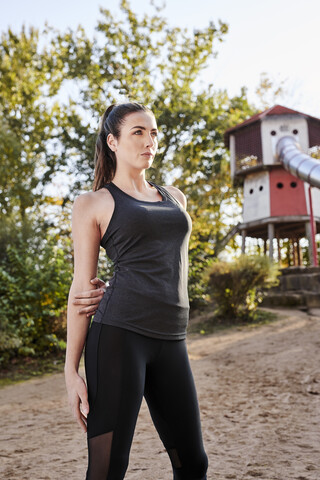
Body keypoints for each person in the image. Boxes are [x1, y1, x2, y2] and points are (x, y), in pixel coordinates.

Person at [64, 102, 208, 480]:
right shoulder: (93, 203)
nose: (150, 141)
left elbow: (161, 262)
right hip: (118, 338)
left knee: (193, 464)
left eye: (154, 132)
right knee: (108, 467)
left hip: (171, 338)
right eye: (138, 132)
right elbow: (81, 289)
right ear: (112, 141)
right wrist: (70, 368)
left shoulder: (175, 197)